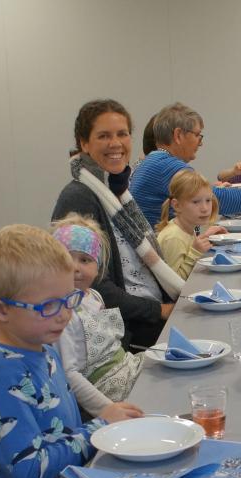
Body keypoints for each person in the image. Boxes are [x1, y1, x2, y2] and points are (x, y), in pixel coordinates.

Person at [0, 224, 105, 478]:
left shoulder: (46, 351)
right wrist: (99, 429)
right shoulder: (3, 377)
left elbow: (65, 432)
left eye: (69, 300)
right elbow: (29, 472)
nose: (65, 315)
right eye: (49, 306)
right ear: (0, 310)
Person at [52, 98, 183, 348]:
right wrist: (160, 311)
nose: (115, 143)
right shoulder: (79, 197)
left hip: (148, 310)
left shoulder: (117, 190)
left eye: (122, 134)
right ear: (84, 143)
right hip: (126, 329)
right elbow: (89, 284)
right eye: (104, 136)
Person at [50, 215, 146, 420]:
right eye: (66, 260)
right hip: (106, 388)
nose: (75, 267)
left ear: (98, 267)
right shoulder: (63, 313)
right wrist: (106, 410)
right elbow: (69, 374)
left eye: (85, 260)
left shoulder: (94, 296)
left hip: (126, 367)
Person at [129, 102, 241, 219]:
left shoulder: (156, 161)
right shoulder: (166, 166)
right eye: (197, 135)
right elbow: (218, 200)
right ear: (178, 135)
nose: (200, 143)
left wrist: (210, 190)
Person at [155, 170, 226, 279]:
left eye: (208, 200)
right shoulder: (173, 237)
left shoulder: (187, 227)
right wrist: (195, 252)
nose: (205, 208)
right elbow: (174, 283)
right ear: (177, 205)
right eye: (195, 202)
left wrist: (206, 238)